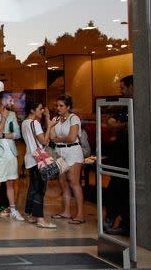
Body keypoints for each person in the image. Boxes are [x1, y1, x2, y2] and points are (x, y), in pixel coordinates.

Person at [0, 91, 24, 222]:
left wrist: (1, 135)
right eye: (9, 100)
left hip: (11, 153)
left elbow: (17, 134)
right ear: (2, 101)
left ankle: (13, 209)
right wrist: (3, 118)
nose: (12, 102)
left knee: (11, 183)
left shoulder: (13, 114)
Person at [104, 75, 133, 235]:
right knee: (115, 188)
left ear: (132, 87)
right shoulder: (124, 107)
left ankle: (125, 223)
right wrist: (122, 126)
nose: (120, 91)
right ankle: (113, 218)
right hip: (120, 157)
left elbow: (130, 127)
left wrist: (120, 127)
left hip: (131, 156)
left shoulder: (138, 105)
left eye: (123, 88)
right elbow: (110, 124)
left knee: (124, 190)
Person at [50, 94, 85, 225]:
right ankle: (66, 211)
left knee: (74, 181)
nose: (58, 108)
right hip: (60, 152)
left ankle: (80, 214)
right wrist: (51, 123)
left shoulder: (74, 118)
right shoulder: (56, 119)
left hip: (73, 151)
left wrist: (58, 139)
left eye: (61, 105)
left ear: (68, 107)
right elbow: (52, 136)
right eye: (57, 105)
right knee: (63, 182)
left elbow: (72, 137)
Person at [21, 101, 57, 228]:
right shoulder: (34, 123)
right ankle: (40, 219)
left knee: (33, 187)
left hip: (30, 158)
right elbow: (45, 141)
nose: (42, 111)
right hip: (38, 159)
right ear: (32, 110)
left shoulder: (25, 123)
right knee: (40, 189)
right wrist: (50, 126)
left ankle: (30, 213)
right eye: (40, 109)